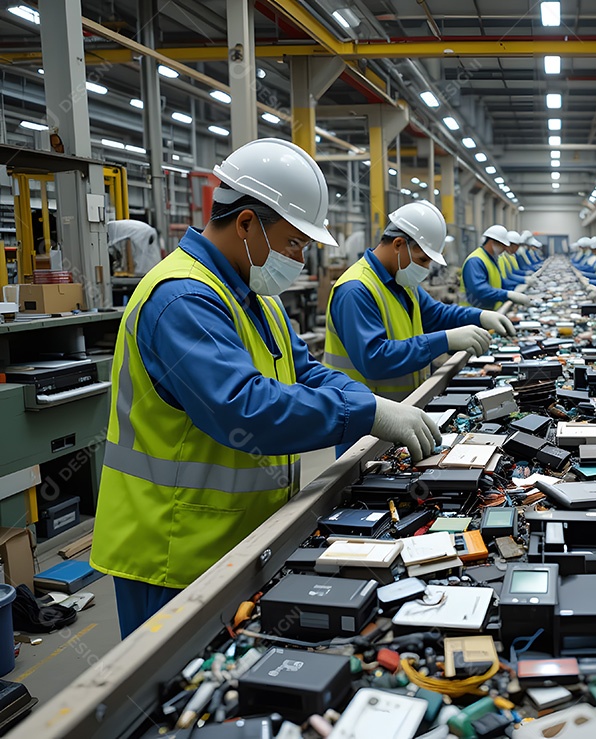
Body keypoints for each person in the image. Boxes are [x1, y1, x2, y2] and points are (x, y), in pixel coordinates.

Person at [89, 139, 441, 637]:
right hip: (173, 552)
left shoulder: (258, 296)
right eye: (295, 243)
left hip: (239, 541)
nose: (299, 258)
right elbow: (245, 409)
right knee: (180, 705)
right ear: (247, 223)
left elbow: (309, 372)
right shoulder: (182, 299)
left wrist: (373, 402)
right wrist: (363, 413)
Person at [323, 200, 515, 433]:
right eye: (423, 259)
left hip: (404, 412)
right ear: (398, 244)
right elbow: (374, 359)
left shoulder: (401, 280)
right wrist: (444, 340)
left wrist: (480, 316)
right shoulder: (356, 290)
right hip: (367, 423)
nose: (425, 268)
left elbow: (435, 313)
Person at [460, 224, 533, 309]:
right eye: (503, 245)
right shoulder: (475, 261)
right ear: (492, 242)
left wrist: (516, 291)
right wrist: (507, 295)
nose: (505, 249)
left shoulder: (491, 259)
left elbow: (501, 282)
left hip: (489, 311)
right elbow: (480, 291)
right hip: (473, 315)